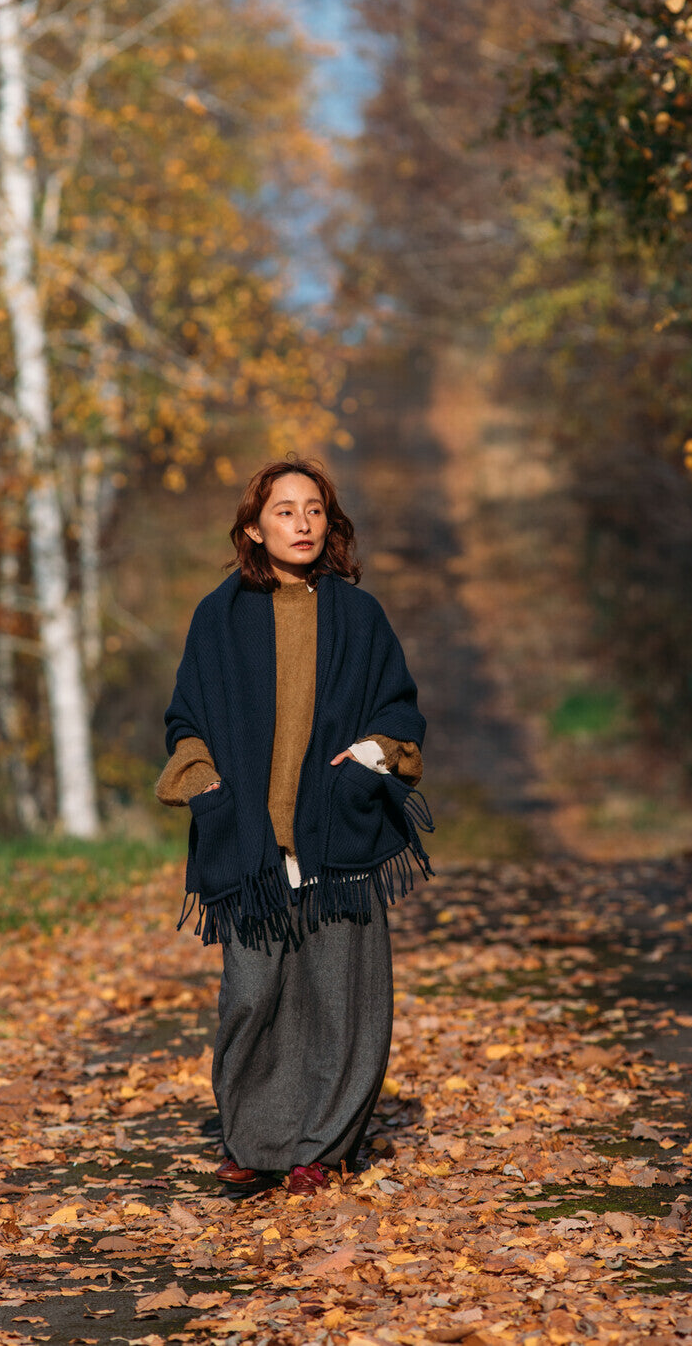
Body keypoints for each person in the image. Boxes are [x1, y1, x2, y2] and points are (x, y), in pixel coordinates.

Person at [156, 455, 434, 1197]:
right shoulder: (218, 617)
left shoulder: (359, 615)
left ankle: (321, 1147)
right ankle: (255, 1139)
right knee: (252, 995)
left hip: (339, 833)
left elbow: (399, 708)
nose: (302, 522)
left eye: (314, 509)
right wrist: (205, 781)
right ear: (254, 526)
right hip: (248, 840)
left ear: (330, 523)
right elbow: (184, 717)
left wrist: (367, 757)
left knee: (341, 1002)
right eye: (285, 510)